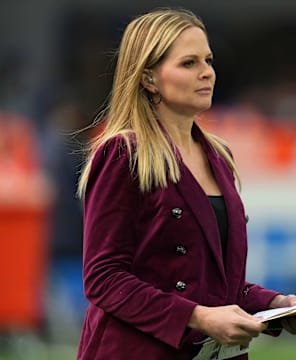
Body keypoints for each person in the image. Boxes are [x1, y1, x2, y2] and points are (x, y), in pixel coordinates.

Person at [76, 8, 296, 360]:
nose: (206, 72)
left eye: (208, 60)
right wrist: (198, 317)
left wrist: (276, 305)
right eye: (188, 63)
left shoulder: (219, 156)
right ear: (148, 77)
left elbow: (218, 284)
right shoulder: (122, 153)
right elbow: (103, 278)